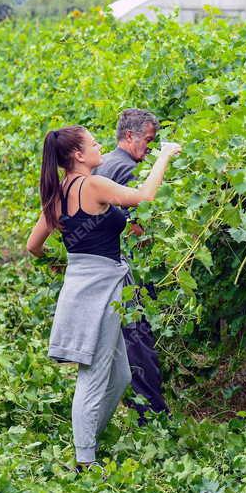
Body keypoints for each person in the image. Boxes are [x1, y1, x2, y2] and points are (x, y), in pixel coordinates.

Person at [25, 125, 181, 467]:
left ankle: (90, 439)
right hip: (101, 289)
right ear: (78, 155)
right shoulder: (92, 184)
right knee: (93, 376)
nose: (100, 146)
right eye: (93, 143)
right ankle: (85, 460)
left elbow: (33, 246)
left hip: (86, 282)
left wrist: (61, 266)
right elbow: (145, 197)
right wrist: (165, 155)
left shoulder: (59, 191)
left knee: (121, 375)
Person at [94, 109, 169, 423]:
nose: (149, 148)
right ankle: (151, 415)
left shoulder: (104, 164)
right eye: (147, 141)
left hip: (106, 266)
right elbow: (137, 223)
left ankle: (135, 408)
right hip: (129, 269)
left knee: (122, 342)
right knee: (137, 340)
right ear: (129, 136)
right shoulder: (127, 170)